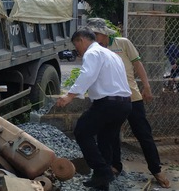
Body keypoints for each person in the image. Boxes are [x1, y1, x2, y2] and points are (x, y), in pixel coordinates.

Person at [87, 18, 170, 188]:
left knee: (143, 134)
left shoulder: (122, 43)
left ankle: (156, 169)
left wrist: (146, 86)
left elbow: (137, 64)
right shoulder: (94, 51)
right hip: (109, 101)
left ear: (103, 33)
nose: (93, 37)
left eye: (95, 34)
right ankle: (114, 167)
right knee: (110, 135)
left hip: (132, 97)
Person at [56, 27, 132, 190]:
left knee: (82, 131)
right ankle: (101, 182)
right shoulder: (111, 54)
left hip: (108, 103)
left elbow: (87, 74)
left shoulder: (92, 53)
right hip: (124, 104)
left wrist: (70, 95)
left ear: (81, 40)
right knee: (105, 139)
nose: (78, 51)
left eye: (77, 46)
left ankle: (102, 170)